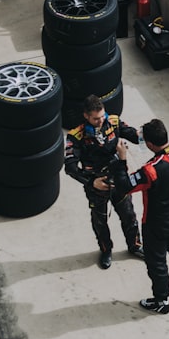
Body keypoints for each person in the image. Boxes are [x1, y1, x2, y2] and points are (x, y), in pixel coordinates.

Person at [110, 118, 169, 315]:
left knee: (157, 263)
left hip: (156, 223)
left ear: (149, 144)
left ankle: (161, 300)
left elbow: (125, 187)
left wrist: (121, 160)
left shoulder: (151, 170)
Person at [64, 94, 144, 269]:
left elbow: (134, 135)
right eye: (95, 119)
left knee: (129, 215)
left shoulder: (113, 122)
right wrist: (91, 182)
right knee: (100, 222)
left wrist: (147, 134)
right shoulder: (75, 136)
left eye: (102, 116)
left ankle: (135, 245)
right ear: (86, 116)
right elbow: (70, 168)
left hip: (118, 180)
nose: (100, 121)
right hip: (96, 185)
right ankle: (106, 250)